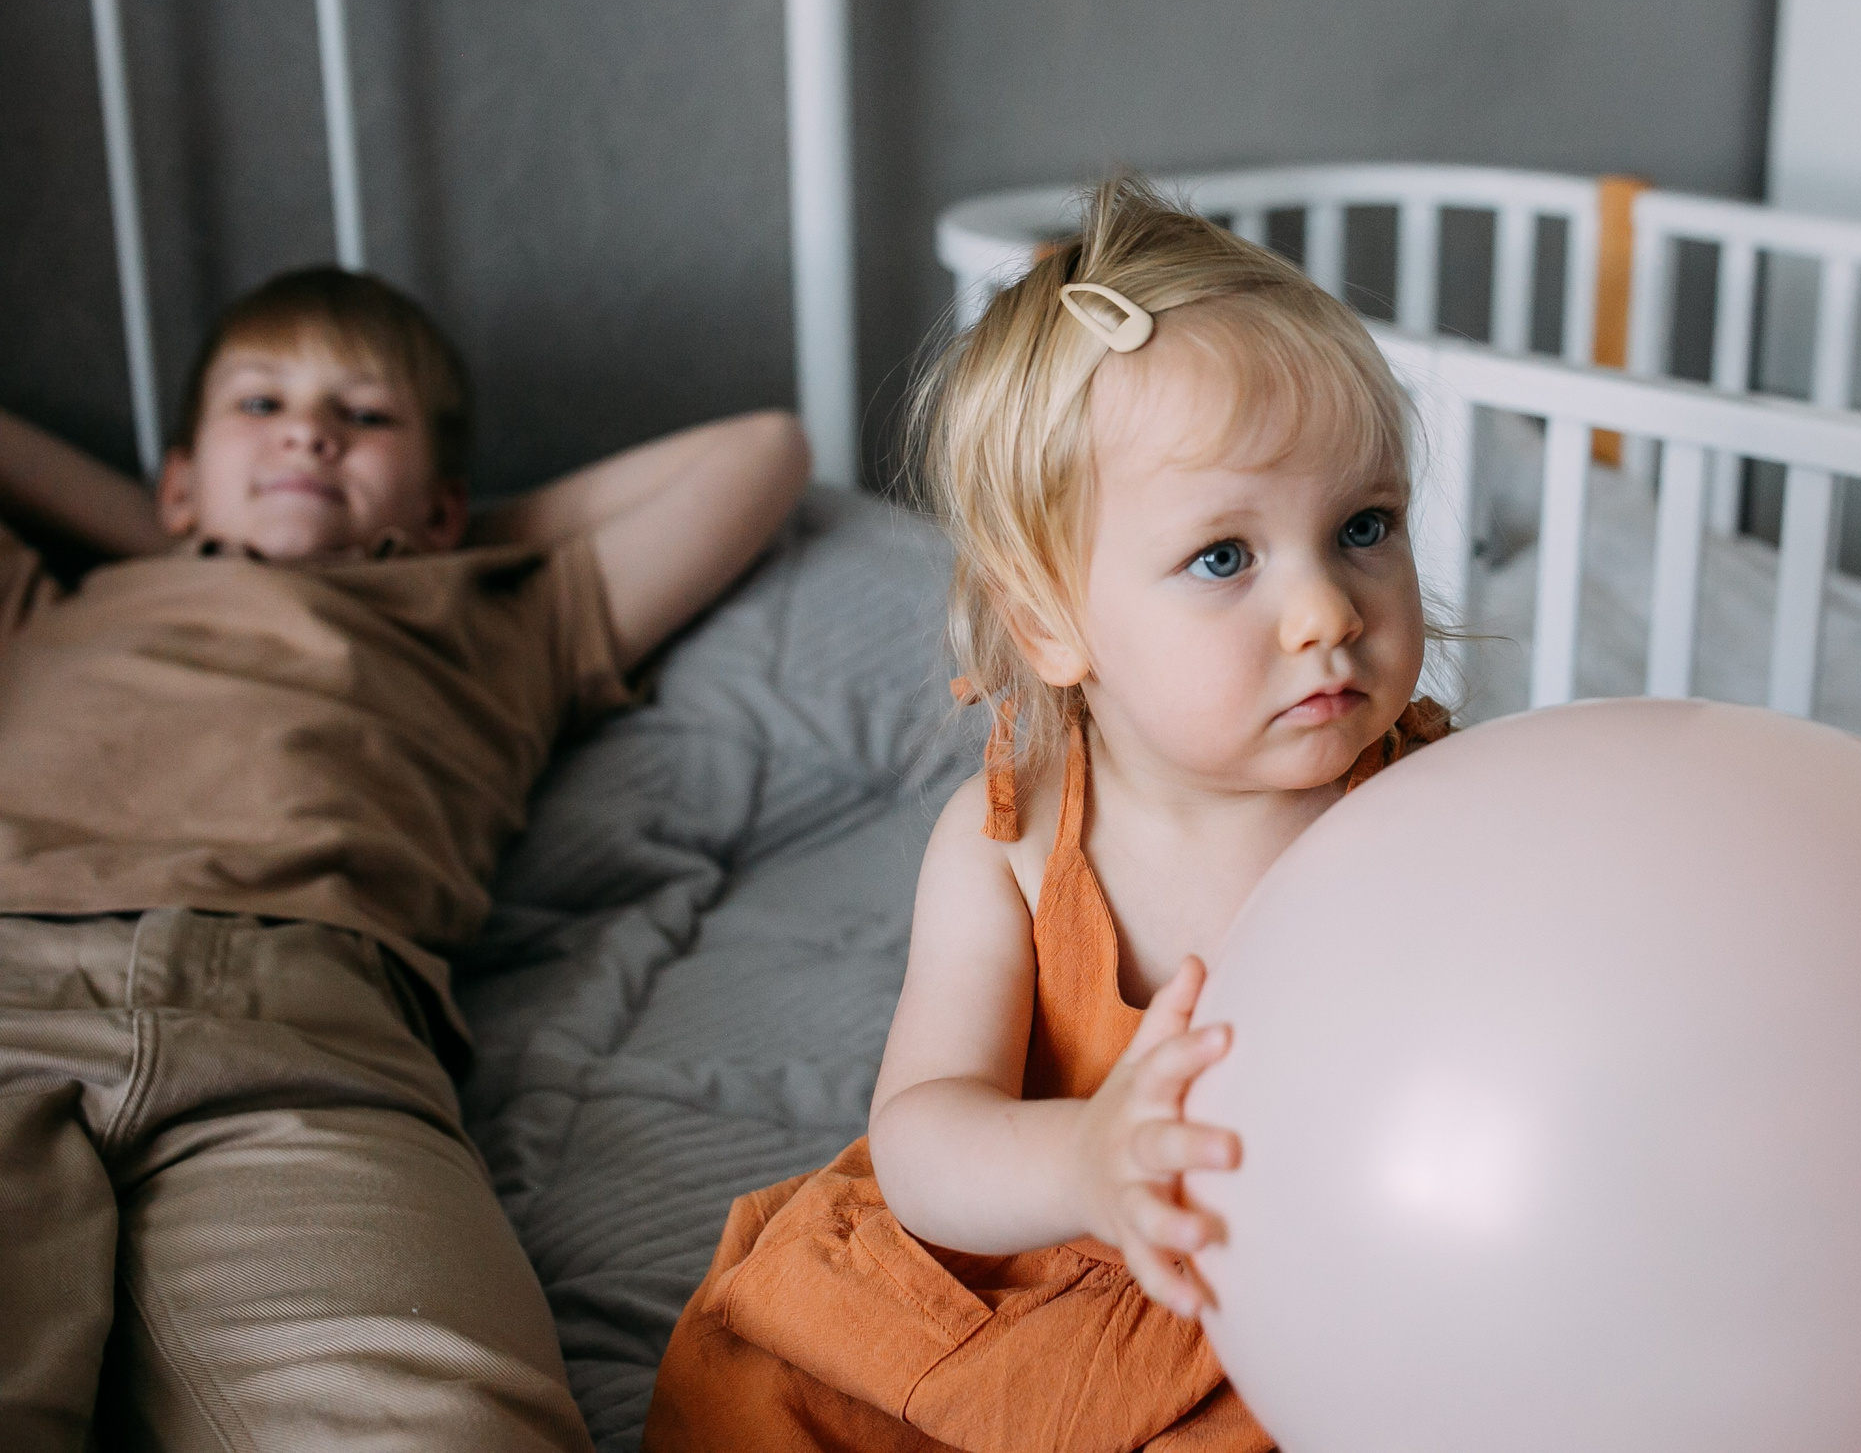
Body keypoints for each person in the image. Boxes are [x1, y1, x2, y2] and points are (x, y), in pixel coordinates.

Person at [644, 180, 1447, 1453]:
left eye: (1364, 528)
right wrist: (1085, 1161)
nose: (1328, 613)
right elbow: (921, 1135)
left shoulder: (1432, 809)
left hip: (1282, 1299)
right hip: (1040, 1261)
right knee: (775, 1388)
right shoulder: (1007, 845)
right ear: (1048, 624)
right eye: (1225, 558)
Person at [0, 266, 811, 1452]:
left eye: (364, 418)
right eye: (262, 407)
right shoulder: (59, 606)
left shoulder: (500, 620)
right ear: (175, 479)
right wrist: (182, 539)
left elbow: (766, 449)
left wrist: (417, 549)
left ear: (443, 506)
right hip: (11, 984)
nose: (310, 432)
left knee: (443, 1423)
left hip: (314, 1031)